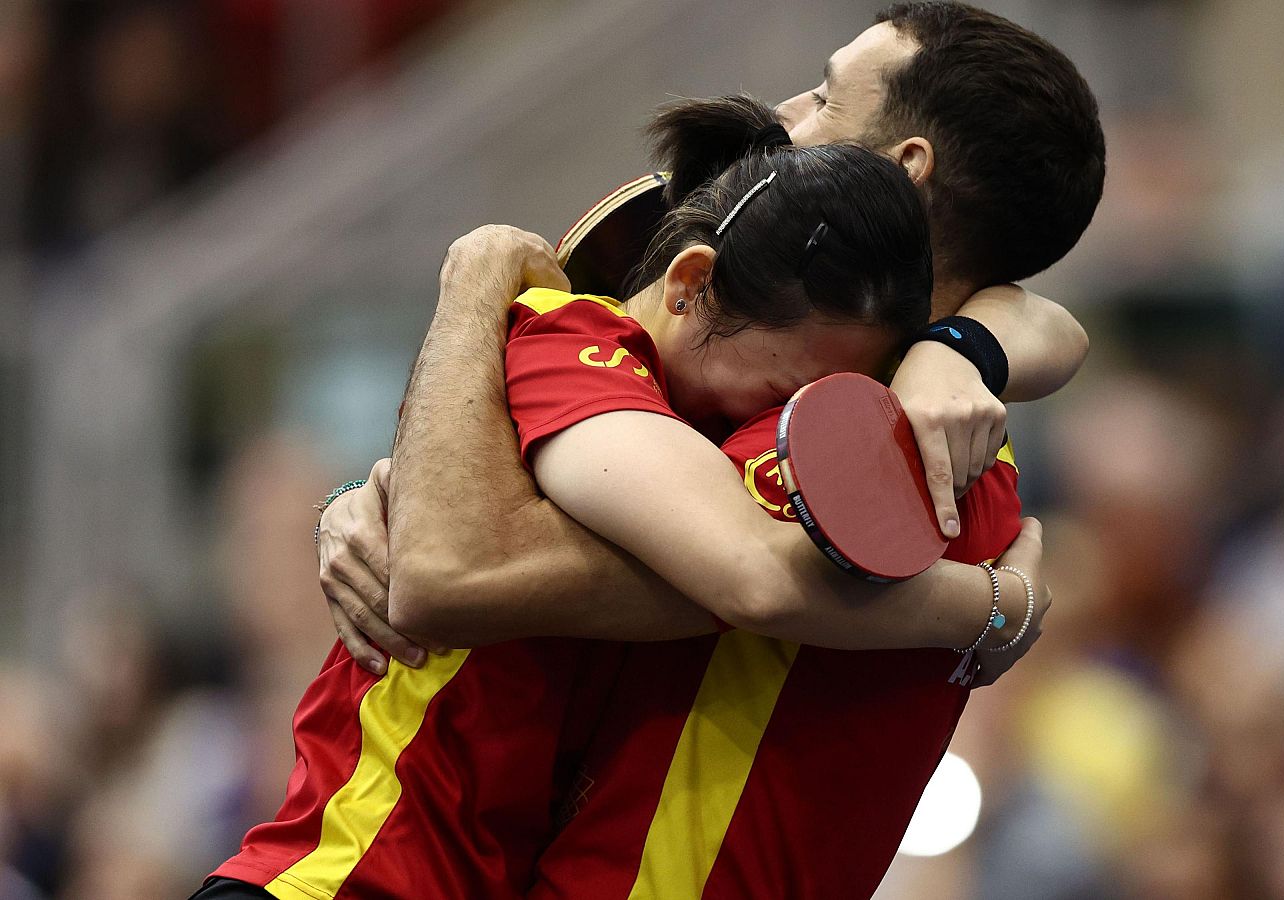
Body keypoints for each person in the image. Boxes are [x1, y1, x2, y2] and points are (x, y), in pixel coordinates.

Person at [199, 97, 1046, 900]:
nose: (786, 425)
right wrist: (997, 604)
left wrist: (962, 348)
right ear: (689, 283)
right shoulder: (567, 339)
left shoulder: (804, 418)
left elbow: (1035, 320)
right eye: (786, 391)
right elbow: (442, 578)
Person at [314, 0, 1104, 670]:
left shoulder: (884, 445)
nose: (785, 115)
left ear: (904, 169)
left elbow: (457, 571)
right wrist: (368, 493)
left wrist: (479, 267)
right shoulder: (906, 370)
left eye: (826, 101)